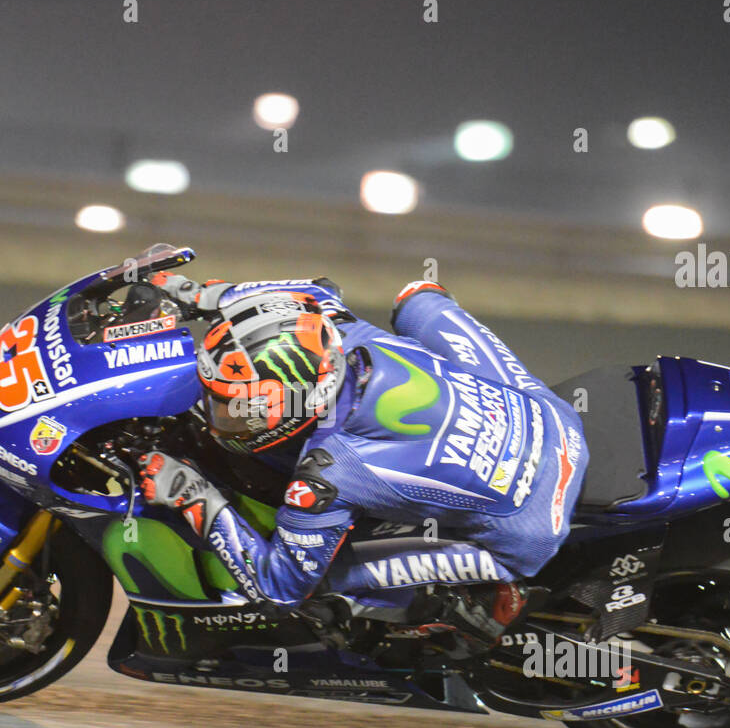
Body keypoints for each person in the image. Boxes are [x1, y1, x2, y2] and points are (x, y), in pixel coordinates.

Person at [137, 273, 587, 646]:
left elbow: (279, 587)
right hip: (551, 419)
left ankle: (474, 604)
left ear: (301, 401)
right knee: (419, 297)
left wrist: (195, 496)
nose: (223, 417)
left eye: (243, 409)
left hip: (529, 529)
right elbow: (311, 289)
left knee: (321, 578)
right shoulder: (336, 327)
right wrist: (201, 295)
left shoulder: (328, 471)